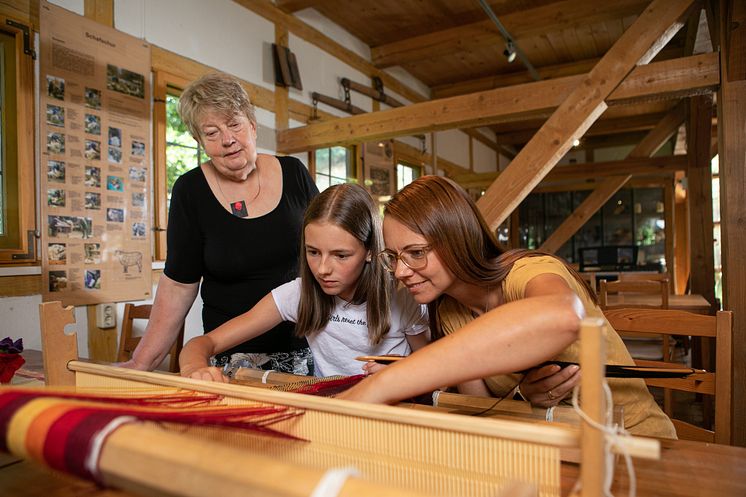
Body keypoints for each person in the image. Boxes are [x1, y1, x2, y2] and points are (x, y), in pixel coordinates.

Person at [338, 176, 676, 439]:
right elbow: (483, 412)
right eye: (394, 258)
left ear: (456, 239)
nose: (400, 272)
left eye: (416, 253)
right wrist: (521, 394)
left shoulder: (528, 273)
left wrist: (386, 383)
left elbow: (562, 315)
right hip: (552, 450)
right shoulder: (449, 312)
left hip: (632, 443)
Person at [120, 72, 318, 374]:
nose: (227, 140)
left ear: (252, 125)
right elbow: (177, 286)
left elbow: (332, 246)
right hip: (230, 359)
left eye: (235, 124)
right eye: (211, 133)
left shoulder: (294, 172)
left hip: (306, 347)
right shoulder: (191, 190)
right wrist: (140, 363)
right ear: (200, 142)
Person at [179, 183, 428, 382]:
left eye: (341, 255)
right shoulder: (298, 294)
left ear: (370, 251)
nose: (322, 269)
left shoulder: (403, 294)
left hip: (395, 409)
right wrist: (194, 368)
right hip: (330, 409)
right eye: (313, 252)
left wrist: (405, 373)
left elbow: (436, 369)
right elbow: (203, 343)